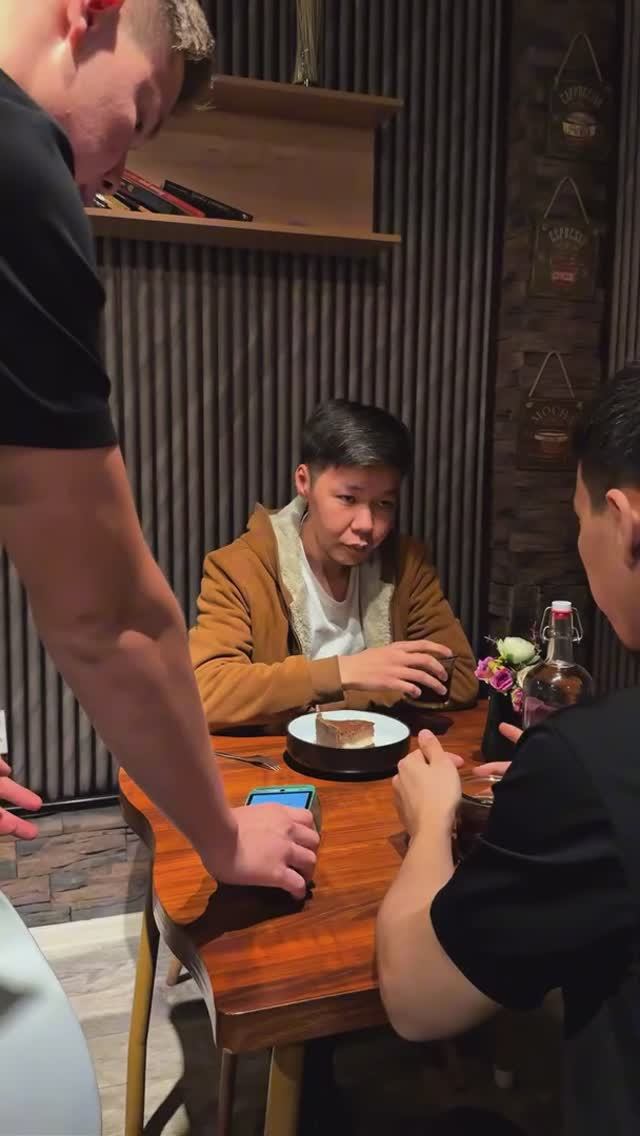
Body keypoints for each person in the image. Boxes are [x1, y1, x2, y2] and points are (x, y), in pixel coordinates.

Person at [0, 0, 318, 897]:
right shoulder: (21, 169)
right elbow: (108, 618)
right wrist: (225, 836)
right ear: (90, 11)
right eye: (138, 115)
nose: (119, 172)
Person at [376, 364, 640, 1135]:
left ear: (623, 523)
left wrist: (432, 815)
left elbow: (417, 1001)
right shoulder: (246, 566)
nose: (366, 522)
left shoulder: (593, 759)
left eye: (577, 518)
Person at [189, 399, 478, 732]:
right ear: (304, 482)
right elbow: (205, 693)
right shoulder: (241, 567)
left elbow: (457, 679)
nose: (367, 524)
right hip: (284, 759)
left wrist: (327, 698)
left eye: (384, 503)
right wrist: (345, 672)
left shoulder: (406, 565)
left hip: (382, 756)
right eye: (348, 499)